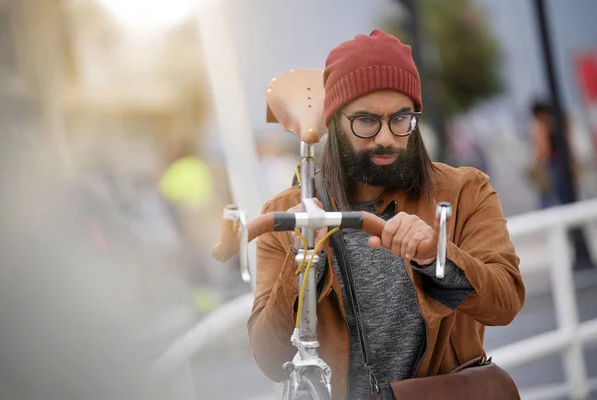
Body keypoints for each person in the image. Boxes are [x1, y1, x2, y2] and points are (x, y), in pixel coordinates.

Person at [248, 30, 525, 400]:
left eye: (401, 119)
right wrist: (301, 263)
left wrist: (436, 254)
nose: (386, 138)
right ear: (334, 122)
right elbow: (269, 358)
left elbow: (505, 302)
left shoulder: (463, 191)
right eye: (366, 121)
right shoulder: (286, 215)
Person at [528, 100, 578, 209]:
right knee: (567, 195)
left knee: (548, 197)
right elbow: (569, 143)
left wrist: (536, 165)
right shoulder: (560, 120)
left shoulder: (543, 124)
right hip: (564, 161)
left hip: (553, 164)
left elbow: (543, 149)